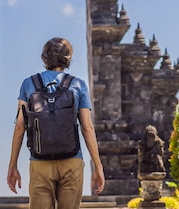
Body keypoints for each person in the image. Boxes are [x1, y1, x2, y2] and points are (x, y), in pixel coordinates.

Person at [7, 37, 105, 209]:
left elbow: (20, 126)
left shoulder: (29, 83)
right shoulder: (78, 84)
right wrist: (98, 166)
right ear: (68, 58)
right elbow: (87, 128)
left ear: (44, 58)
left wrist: (13, 165)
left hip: (40, 162)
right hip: (72, 162)